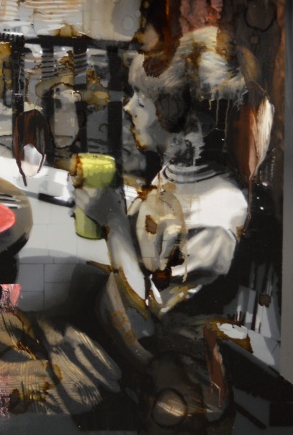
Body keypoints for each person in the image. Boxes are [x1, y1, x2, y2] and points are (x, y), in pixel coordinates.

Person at [74, 26, 254, 431]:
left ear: (179, 117)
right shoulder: (175, 175)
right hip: (136, 365)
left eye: (142, 99)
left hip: (174, 395)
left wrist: (114, 222)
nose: (129, 107)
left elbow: (148, 324)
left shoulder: (216, 211)